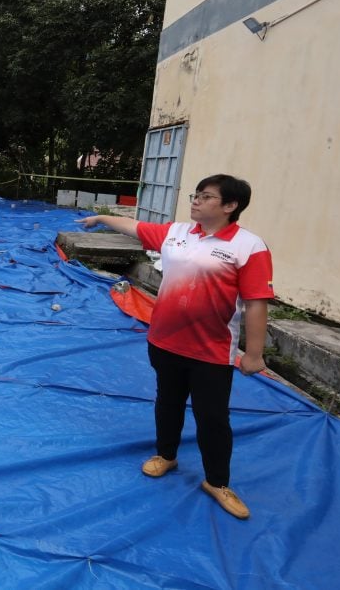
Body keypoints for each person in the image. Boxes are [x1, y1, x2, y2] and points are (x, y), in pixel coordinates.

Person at [76, 174, 273, 519]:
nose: (196, 200)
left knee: (212, 417)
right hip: (165, 341)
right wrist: (100, 218)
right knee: (167, 402)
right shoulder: (177, 233)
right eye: (196, 194)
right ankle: (166, 455)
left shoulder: (248, 246)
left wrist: (254, 354)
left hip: (210, 351)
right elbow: (135, 227)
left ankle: (217, 481)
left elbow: (256, 303)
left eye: (206, 196)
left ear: (230, 206)